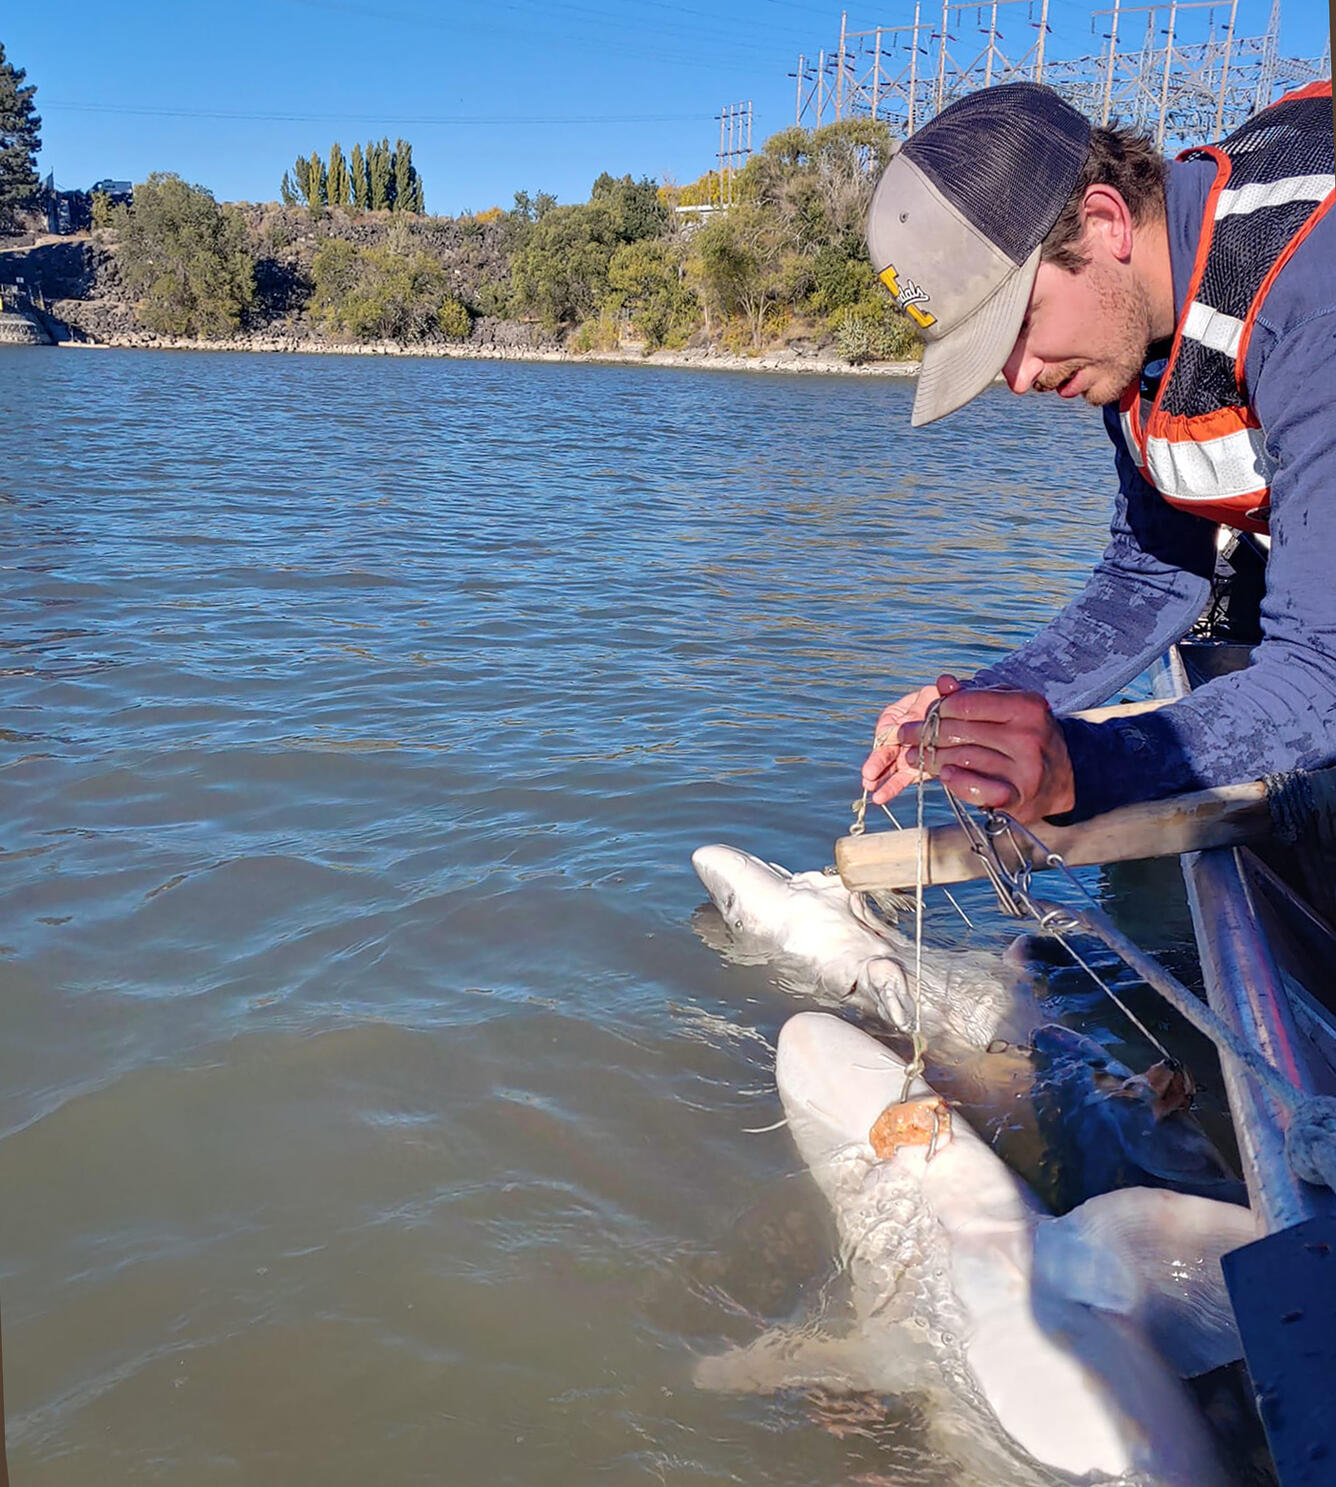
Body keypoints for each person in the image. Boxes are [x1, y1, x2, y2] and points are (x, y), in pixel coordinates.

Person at [858, 79, 1335, 824]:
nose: (1016, 379)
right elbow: (1152, 572)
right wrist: (993, 705)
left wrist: (1079, 768)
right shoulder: (1134, 322)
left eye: (1019, 324)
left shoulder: (1311, 304)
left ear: (1106, 221)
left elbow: (1324, 672)